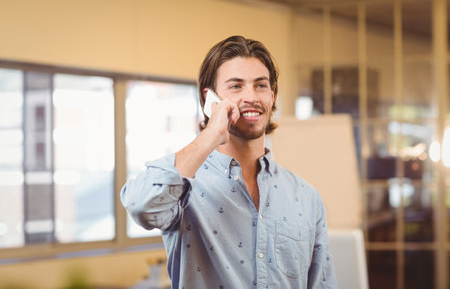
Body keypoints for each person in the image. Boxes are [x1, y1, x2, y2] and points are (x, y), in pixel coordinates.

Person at [121, 35, 338, 288]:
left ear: (273, 95)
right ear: (209, 99)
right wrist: (211, 135)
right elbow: (141, 206)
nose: (251, 97)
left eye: (260, 85)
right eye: (236, 86)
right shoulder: (184, 188)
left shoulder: (306, 197)